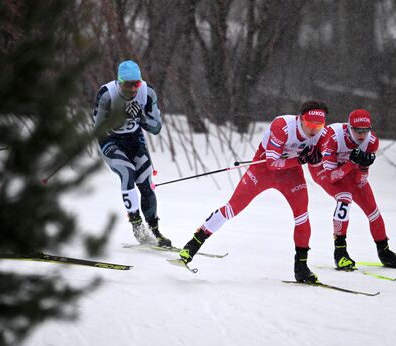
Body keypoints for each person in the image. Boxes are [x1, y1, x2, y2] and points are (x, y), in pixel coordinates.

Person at [179, 101, 328, 283]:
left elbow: (318, 162)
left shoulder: (322, 134)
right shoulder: (283, 126)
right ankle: (192, 245)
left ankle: (301, 268)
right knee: (233, 208)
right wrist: (301, 159)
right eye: (310, 125)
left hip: (291, 174)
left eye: (318, 126)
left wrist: (317, 159)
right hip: (263, 169)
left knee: (302, 215)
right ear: (301, 119)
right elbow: (273, 164)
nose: (314, 130)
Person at [308, 109, 396, 270]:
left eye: (366, 131)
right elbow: (332, 177)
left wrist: (364, 167)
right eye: (358, 131)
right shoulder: (333, 137)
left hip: (348, 169)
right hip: (323, 169)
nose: (362, 135)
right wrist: (352, 164)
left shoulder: (372, 141)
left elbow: (361, 179)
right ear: (349, 127)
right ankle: (340, 252)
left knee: (372, 209)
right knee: (344, 198)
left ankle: (384, 251)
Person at [93, 60, 171, 247]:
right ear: (119, 82)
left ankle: (155, 230)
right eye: (129, 84)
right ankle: (137, 226)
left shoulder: (147, 91)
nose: (134, 88)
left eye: (137, 83)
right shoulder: (107, 94)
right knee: (128, 172)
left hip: (134, 140)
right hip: (110, 141)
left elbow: (156, 127)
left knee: (145, 181)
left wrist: (141, 118)